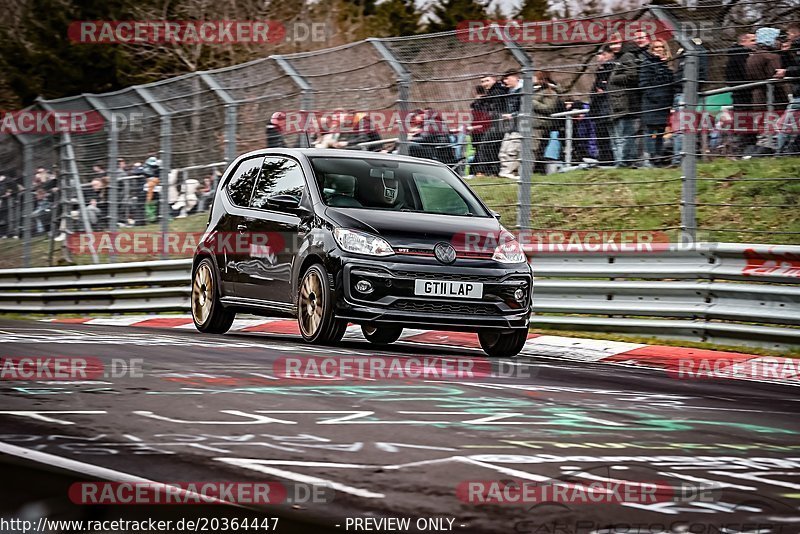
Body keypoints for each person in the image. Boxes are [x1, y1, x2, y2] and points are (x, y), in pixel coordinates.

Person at [747, 27, 789, 152]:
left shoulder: (752, 57)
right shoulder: (772, 57)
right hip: (774, 96)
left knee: (763, 127)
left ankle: (763, 149)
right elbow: (775, 75)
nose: (779, 42)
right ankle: (775, 151)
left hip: (757, 96)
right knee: (778, 125)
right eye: (776, 39)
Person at [640, 39, 676, 167]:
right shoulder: (647, 64)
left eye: (661, 47)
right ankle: (650, 157)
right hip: (652, 103)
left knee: (661, 131)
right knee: (650, 131)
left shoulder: (668, 66)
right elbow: (644, 84)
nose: (659, 49)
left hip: (664, 103)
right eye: (656, 47)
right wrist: (656, 97)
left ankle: (659, 157)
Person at [607, 38, 642, 167]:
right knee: (625, 134)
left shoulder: (627, 56)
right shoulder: (619, 58)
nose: (614, 46)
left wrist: (613, 79)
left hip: (626, 102)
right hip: (620, 102)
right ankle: (627, 160)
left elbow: (632, 75)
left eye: (617, 43)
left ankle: (627, 161)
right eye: (612, 44)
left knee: (626, 134)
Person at [725, 33, 757, 152]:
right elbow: (747, 74)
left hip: (739, 94)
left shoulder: (734, 55)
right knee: (746, 122)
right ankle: (743, 149)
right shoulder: (741, 56)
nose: (756, 43)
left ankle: (743, 148)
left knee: (744, 122)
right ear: (743, 41)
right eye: (753, 40)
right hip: (744, 95)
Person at [470, 75, 507, 175]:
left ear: (494, 80)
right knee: (490, 147)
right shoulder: (491, 93)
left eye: (487, 80)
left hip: (498, 124)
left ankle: (484, 171)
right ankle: (489, 171)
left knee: (487, 146)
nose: (485, 83)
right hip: (491, 124)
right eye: (483, 81)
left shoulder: (498, 92)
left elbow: (494, 109)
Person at [590, 45, 616, 164]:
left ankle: (610, 158)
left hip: (606, 108)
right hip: (598, 108)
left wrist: (603, 89)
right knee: (601, 136)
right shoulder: (601, 70)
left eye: (603, 55)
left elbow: (606, 88)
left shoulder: (611, 68)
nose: (600, 57)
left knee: (609, 135)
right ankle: (604, 157)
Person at [776, 23, 800, 154]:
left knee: (782, 125)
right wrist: (785, 54)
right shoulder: (795, 48)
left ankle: (779, 154)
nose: (788, 37)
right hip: (797, 94)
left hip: (798, 96)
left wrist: (786, 72)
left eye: (790, 34)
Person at [498, 70, 523, 179]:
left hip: (520, 126)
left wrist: (512, 115)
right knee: (503, 151)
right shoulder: (509, 92)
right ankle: (505, 171)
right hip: (509, 127)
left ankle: (510, 172)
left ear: (515, 77)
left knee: (512, 150)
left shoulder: (524, 91)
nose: (505, 81)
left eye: (507, 78)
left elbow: (525, 109)